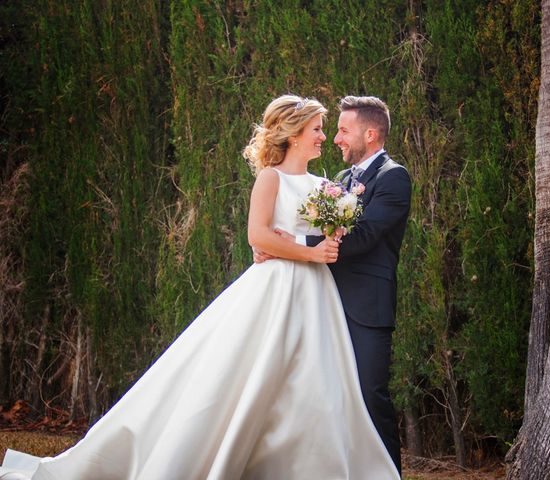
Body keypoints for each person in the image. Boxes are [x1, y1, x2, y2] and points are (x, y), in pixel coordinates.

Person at [0, 95, 400, 480]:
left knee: (315, 382)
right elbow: (257, 237)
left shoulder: (325, 184)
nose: (323, 137)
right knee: (249, 372)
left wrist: (302, 247)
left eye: (325, 129)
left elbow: (336, 235)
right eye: (316, 129)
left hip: (318, 295)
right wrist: (297, 251)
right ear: (294, 134)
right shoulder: (270, 178)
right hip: (277, 288)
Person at [258, 96, 411, 473]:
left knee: (371, 395)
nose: (336, 138)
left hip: (366, 306)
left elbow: (364, 237)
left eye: (343, 130)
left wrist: (290, 246)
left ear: (370, 134)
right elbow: (314, 227)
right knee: (327, 397)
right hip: (321, 300)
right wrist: (275, 245)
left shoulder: (394, 177)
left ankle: (388, 473)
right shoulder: (338, 182)